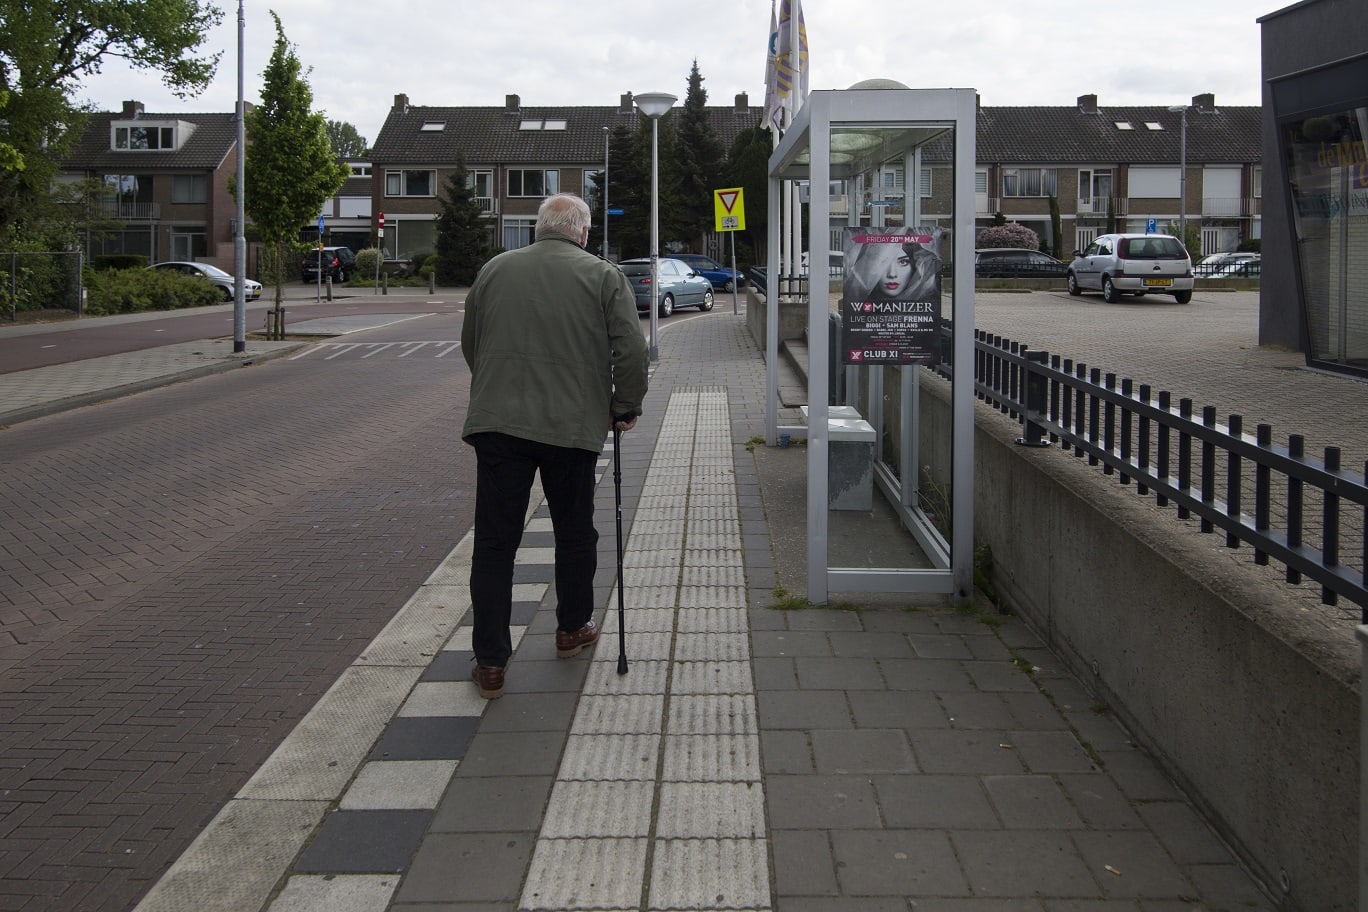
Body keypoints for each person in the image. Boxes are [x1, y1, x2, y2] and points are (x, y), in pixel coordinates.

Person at [461, 193, 649, 699]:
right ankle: (571, 628)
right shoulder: (603, 276)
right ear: (582, 232)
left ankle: (492, 662)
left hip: (499, 427)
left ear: (539, 228)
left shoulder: (494, 270)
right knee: (573, 531)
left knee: (496, 542)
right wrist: (623, 405)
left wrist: (499, 391)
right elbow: (631, 347)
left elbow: (471, 342)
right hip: (572, 428)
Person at [844, 227, 944, 302]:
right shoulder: (854, 304)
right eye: (883, 262)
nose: (892, 274)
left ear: (915, 266)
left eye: (903, 262)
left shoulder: (928, 311)